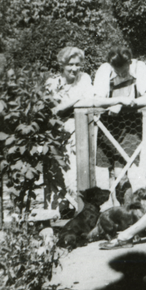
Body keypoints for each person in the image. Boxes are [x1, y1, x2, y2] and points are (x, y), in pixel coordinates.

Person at [92, 46, 146, 191]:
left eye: (124, 71)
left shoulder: (140, 67)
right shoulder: (104, 70)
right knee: (103, 166)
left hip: (131, 123)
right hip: (107, 122)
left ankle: (127, 205)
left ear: (130, 63)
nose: (121, 74)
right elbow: (96, 100)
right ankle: (106, 206)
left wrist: (132, 102)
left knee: (128, 165)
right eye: (117, 71)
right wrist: (118, 101)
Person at [45, 47, 93, 203]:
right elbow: (50, 108)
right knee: (57, 170)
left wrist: (64, 105)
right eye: (70, 64)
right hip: (57, 132)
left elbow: (87, 97)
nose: (74, 68)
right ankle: (62, 208)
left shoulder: (84, 78)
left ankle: (78, 207)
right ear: (62, 65)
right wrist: (74, 101)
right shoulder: (52, 82)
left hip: (80, 130)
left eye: (77, 64)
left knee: (76, 170)